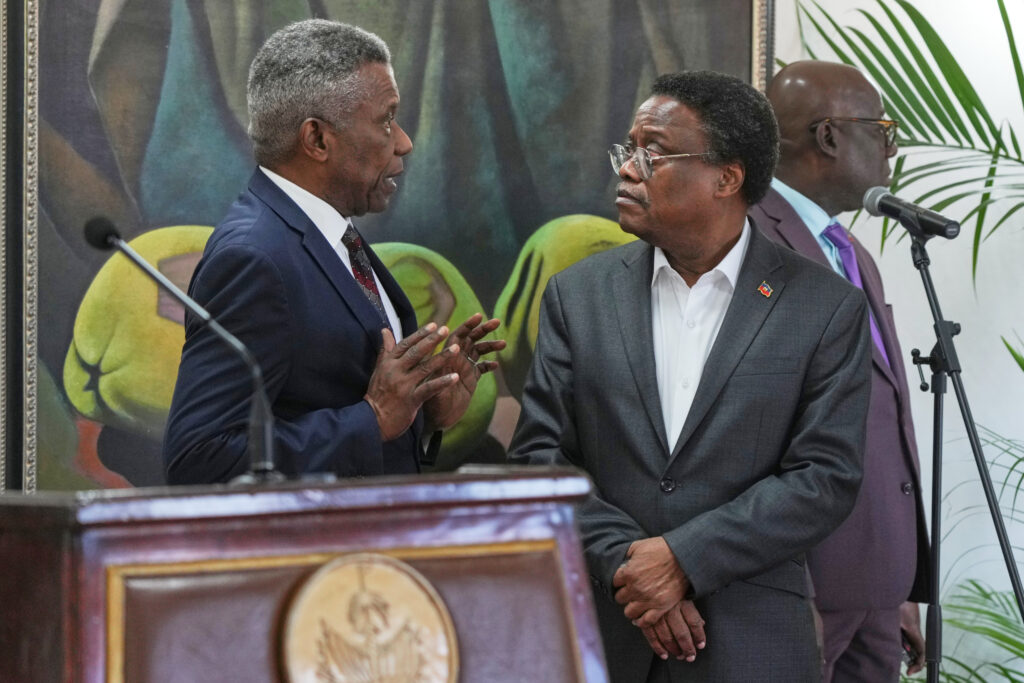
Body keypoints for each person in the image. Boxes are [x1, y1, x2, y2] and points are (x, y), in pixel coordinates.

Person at [509, 70, 873, 681]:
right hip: (602, 632)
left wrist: (685, 558)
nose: (627, 169)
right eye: (628, 150)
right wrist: (631, 563)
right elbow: (538, 459)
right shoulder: (578, 295)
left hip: (749, 640)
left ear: (727, 178)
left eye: (652, 153)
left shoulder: (824, 306)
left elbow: (824, 478)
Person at [163, 20, 503, 483]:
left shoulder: (331, 231)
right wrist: (371, 419)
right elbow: (198, 459)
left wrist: (424, 413)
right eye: (385, 119)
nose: (403, 141)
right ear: (318, 139)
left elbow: (341, 407)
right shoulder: (252, 257)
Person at [749, 60, 929, 681]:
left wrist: (896, 586)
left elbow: (879, 418)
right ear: (828, 137)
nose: (891, 146)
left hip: (873, 589)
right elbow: (752, 432)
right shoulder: (748, 240)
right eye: (880, 127)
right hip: (805, 592)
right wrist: (788, 590)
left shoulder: (850, 251)